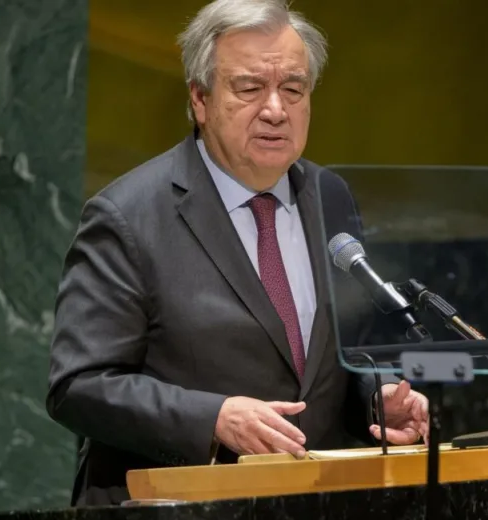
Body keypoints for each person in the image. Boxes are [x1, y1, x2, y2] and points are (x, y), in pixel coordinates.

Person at [46, 0, 429, 506]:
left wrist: (375, 403)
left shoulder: (329, 196)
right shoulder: (128, 216)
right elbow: (78, 385)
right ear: (200, 99)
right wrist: (213, 419)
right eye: (250, 88)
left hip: (311, 503)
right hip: (174, 504)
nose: (275, 110)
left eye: (293, 89)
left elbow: (329, 362)